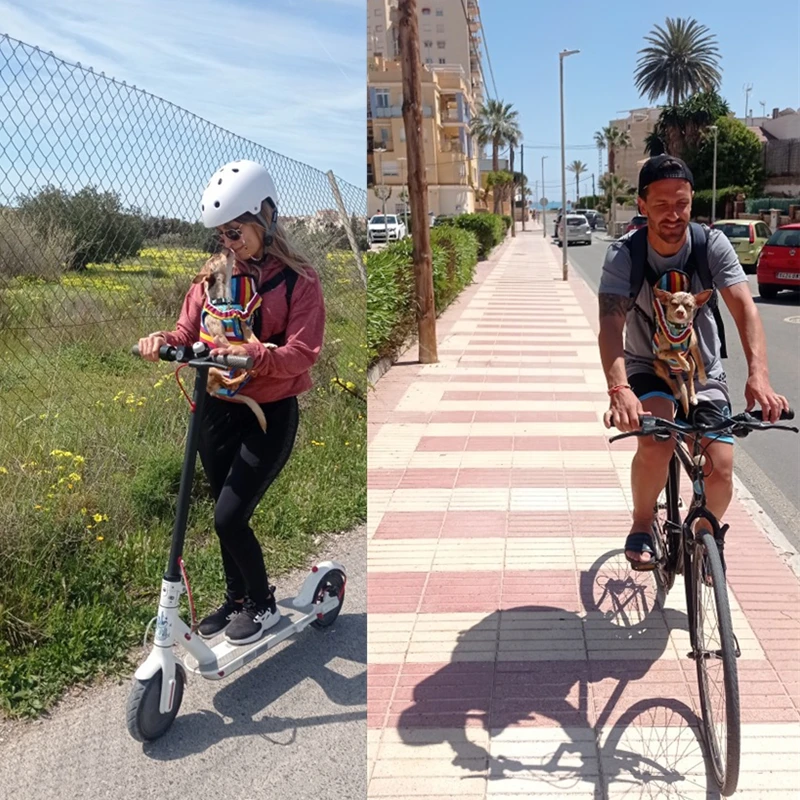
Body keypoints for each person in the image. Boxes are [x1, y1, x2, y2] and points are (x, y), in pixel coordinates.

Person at [137, 160, 325, 643]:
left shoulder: (298, 281)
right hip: (216, 410)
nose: (228, 242)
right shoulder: (213, 276)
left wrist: (253, 354)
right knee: (224, 508)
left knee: (228, 516)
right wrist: (163, 340)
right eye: (222, 233)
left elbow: (302, 355)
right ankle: (236, 597)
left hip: (268, 414)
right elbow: (186, 330)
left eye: (236, 231)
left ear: (266, 215)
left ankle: (264, 606)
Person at [597, 154, 788, 570]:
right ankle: (643, 522)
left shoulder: (710, 245)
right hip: (648, 366)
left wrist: (759, 375)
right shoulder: (624, 257)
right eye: (661, 205)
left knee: (720, 464)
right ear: (642, 205)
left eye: (681, 203)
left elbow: (744, 309)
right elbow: (610, 326)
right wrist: (619, 390)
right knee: (657, 438)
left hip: (700, 370)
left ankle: (705, 533)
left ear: (692, 200)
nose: (673, 214)